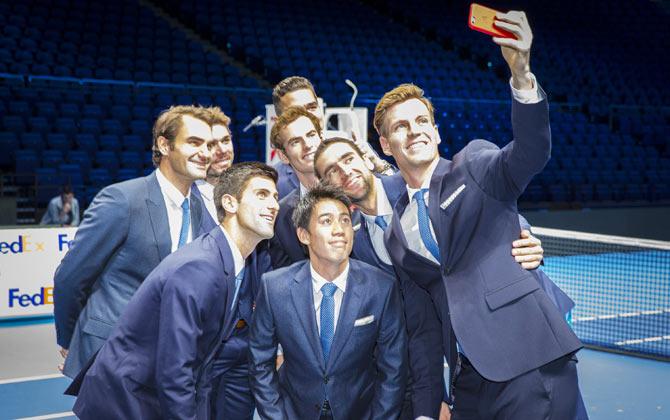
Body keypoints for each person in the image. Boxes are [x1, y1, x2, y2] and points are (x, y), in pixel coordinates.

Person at [376, 11, 584, 419]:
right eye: (401, 126)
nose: (415, 130)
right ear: (385, 144)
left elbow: (529, 153)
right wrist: (429, 400)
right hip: (468, 381)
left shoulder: (472, 165)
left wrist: (521, 74)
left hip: (530, 359)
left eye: (423, 121)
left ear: (436, 132)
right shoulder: (396, 234)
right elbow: (424, 324)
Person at [313, 136, 569, 418]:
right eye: (332, 171)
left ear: (364, 159)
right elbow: (413, 321)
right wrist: (434, 396)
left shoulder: (411, 183)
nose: (344, 171)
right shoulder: (351, 242)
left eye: (348, 159)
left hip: (522, 331)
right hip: (456, 349)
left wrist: (522, 234)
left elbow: (480, 199)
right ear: (327, 186)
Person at [70, 162, 279, 419]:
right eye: (262, 194)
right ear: (230, 203)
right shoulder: (199, 268)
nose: (274, 205)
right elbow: (175, 369)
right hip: (128, 398)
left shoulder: (231, 261)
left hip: (154, 392)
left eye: (275, 196)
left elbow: (199, 362)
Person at [53, 105, 215, 379]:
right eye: (194, 142)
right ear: (164, 145)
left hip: (174, 357)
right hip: (114, 357)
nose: (206, 153)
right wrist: (71, 340)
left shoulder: (202, 209)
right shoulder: (122, 200)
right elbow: (70, 278)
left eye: (209, 145)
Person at [249, 184, 407, 419]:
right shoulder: (274, 287)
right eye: (326, 221)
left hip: (360, 411)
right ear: (304, 235)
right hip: (293, 411)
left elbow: (393, 368)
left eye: (345, 220)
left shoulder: (381, 287)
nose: (339, 230)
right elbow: (260, 363)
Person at [271, 76, 392, 199]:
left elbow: (398, 197)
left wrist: (379, 165)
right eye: (296, 111)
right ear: (279, 121)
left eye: (312, 107)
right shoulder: (274, 183)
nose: (307, 116)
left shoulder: (353, 150)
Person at [192, 107, 235, 227]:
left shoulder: (245, 192)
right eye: (211, 145)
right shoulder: (185, 201)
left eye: (226, 141)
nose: (222, 150)